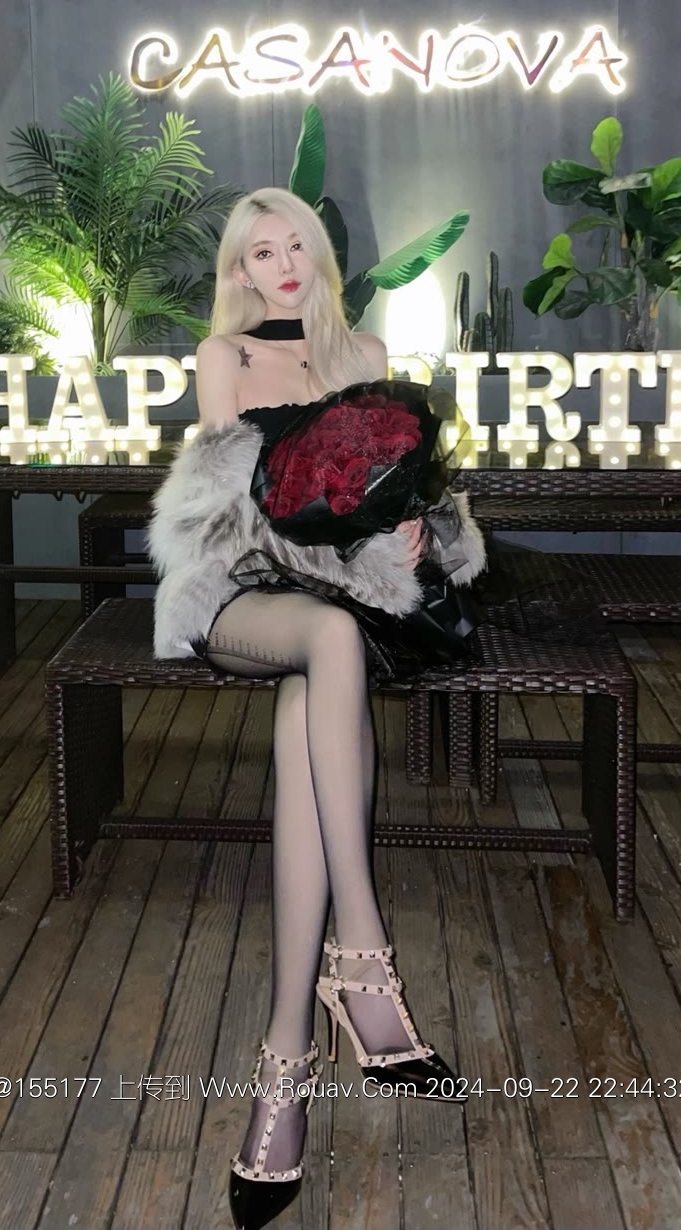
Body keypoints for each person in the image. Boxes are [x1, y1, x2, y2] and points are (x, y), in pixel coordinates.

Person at [146, 188, 488, 1230]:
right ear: (240, 271)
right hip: (238, 594)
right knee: (327, 641)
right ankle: (366, 963)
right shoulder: (226, 356)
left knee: (322, 675)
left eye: (297, 244)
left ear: (321, 255)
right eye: (262, 251)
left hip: (338, 606)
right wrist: (325, 531)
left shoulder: (365, 353)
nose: (284, 263)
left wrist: (418, 528)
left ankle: (284, 1069)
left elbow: (408, 485)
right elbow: (225, 515)